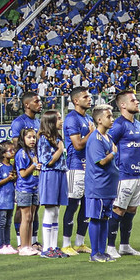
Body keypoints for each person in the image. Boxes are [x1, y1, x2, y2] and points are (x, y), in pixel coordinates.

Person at [106, 90, 140, 258]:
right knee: (118, 210)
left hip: (136, 175)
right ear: (122, 105)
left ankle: (125, 245)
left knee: (131, 210)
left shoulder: (137, 124)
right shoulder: (118, 125)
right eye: (133, 100)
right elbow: (107, 144)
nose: (137, 102)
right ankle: (109, 246)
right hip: (123, 175)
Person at [61, 87, 94, 256]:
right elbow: (78, 144)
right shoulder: (71, 119)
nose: (89, 99)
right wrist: (91, 133)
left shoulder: (88, 118)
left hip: (88, 168)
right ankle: (66, 243)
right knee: (72, 205)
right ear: (76, 101)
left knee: (87, 207)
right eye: (85, 96)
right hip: (75, 166)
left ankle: (80, 242)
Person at [84, 104, 118, 262]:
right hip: (97, 186)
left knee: (105, 219)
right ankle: (94, 253)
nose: (112, 119)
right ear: (99, 120)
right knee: (96, 218)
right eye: (109, 116)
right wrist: (112, 153)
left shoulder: (108, 137)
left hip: (108, 186)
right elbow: (102, 162)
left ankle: (102, 251)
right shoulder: (95, 138)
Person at [9, 91, 42, 247]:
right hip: (24, 170)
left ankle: (33, 240)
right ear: (27, 104)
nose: (40, 103)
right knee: (21, 207)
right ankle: (20, 240)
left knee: (35, 207)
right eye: (36, 101)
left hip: (36, 170)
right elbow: (17, 147)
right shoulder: (19, 122)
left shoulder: (38, 122)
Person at [36, 109, 68, 258]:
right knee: (50, 211)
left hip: (60, 173)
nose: (61, 121)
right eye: (59, 118)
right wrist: (60, 150)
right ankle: (47, 248)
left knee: (56, 211)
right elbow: (47, 161)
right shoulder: (43, 138)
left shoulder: (58, 137)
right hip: (50, 175)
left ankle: (54, 246)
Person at [14, 127, 39, 256]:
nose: (32, 140)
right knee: (26, 217)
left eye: (34, 137)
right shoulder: (22, 153)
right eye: (29, 137)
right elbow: (23, 173)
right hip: (24, 188)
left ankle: (29, 245)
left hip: (34, 186)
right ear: (23, 139)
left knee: (31, 217)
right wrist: (34, 166)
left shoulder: (34, 152)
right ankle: (23, 246)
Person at [0, 140, 17, 255]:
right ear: (3, 153)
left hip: (10, 198)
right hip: (1, 199)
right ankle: (1, 245)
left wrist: (14, 178)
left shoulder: (11, 166)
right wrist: (8, 179)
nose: (13, 152)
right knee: (2, 222)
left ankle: (8, 244)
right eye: (10, 150)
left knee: (8, 222)